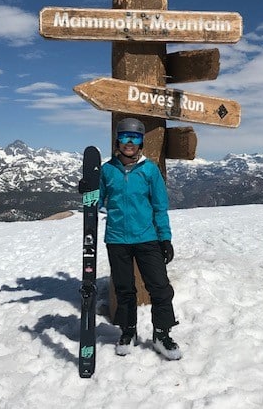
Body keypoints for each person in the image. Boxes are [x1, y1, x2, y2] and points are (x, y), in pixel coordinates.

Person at [99, 117, 181, 360]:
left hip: (147, 238)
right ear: (117, 141)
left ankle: (161, 333)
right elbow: (96, 200)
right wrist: (86, 190)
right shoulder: (107, 170)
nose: (129, 142)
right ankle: (128, 331)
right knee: (124, 289)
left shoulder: (149, 170)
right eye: (124, 137)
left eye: (134, 138)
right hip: (116, 238)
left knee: (160, 288)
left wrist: (165, 238)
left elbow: (159, 207)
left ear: (141, 142)